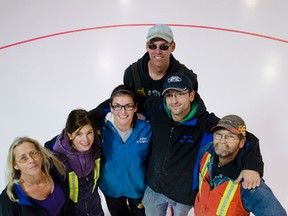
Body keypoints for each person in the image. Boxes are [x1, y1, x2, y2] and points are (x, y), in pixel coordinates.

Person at [141, 73, 264, 216]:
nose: (173, 100)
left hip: (183, 195)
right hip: (154, 188)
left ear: (191, 95)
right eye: (169, 95)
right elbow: (124, 102)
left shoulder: (205, 123)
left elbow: (244, 137)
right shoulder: (158, 110)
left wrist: (253, 166)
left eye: (179, 94)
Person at [194, 115, 287, 216]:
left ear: (241, 143)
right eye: (218, 135)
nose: (222, 140)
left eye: (230, 137)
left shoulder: (249, 185)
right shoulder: (207, 152)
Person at [98, 84, 152, 216]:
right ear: (110, 107)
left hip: (138, 188)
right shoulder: (101, 129)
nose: (123, 112)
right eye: (117, 106)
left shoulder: (147, 128)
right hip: (111, 188)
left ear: (135, 107)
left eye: (128, 106)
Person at [45, 109, 104, 216]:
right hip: (72, 212)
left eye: (89, 133)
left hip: (95, 208)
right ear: (70, 135)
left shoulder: (97, 149)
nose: (85, 139)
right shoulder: (57, 161)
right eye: (79, 134)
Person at [0, 136, 66, 216]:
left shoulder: (53, 170)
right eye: (23, 158)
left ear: (40, 155)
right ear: (15, 165)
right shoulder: (9, 198)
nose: (31, 160)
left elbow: (68, 135)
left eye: (33, 153)